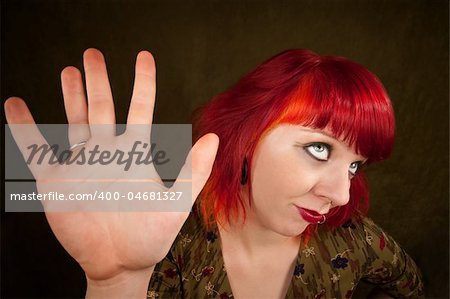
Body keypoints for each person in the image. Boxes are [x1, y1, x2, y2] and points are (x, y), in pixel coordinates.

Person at [4, 48, 424, 299]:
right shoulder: (172, 246)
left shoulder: (354, 239)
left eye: (354, 166)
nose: (341, 194)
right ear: (248, 134)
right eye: (318, 148)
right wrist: (115, 284)